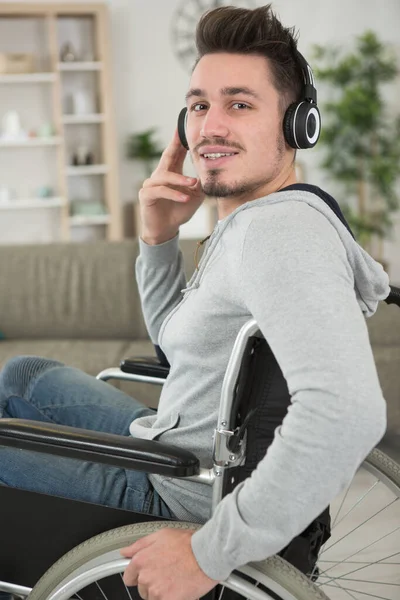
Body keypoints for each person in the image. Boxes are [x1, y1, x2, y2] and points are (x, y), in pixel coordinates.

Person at [0, 5, 389, 600]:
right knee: (26, 376)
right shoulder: (253, 223)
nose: (209, 127)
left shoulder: (277, 234)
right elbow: (182, 346)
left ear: (297, 124)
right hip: (178, 448)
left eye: (239, 104)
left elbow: (348, 412)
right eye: (200, 105)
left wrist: (210, 553)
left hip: (178, 490)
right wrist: (157, 239)